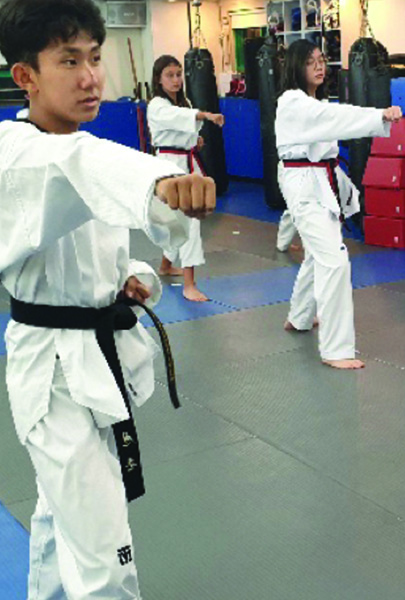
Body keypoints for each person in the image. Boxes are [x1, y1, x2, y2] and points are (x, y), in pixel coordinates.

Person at [0, 0, 216, 597]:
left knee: (58, 522)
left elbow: (94, 247)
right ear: (26, 76)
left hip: (96, 362)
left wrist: (129, 278)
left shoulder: (82, 150)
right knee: (106, 560)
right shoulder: (16, 151)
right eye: (69, 61)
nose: (91, 77)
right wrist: (158, 179)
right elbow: (71, 168)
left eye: (95, 58)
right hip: (53, 375)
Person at [276, 40, 402, 369]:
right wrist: (377, 115)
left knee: (319, 253)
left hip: (322, 180)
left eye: (322, 60)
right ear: (296, 66)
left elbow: (332, 118)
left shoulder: (314, 101)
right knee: (334, 261)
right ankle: (336, 349)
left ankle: (300, 317)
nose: (320, 66)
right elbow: (336, 117)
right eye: (311, 62)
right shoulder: (293, 102)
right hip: (305, 183)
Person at [147, 54, 225, 302]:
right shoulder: (156, 105)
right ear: (159, 79)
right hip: (169, 167)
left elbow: (183, 128)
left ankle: (166, 265)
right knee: (187, 222)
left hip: (187, 164)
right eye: (169, 75)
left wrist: (194, 140)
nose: (176, 80)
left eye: (179, 74)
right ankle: (189, 285)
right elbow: (176, 119)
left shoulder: (184, 102)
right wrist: (206, 115)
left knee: (182, 221)